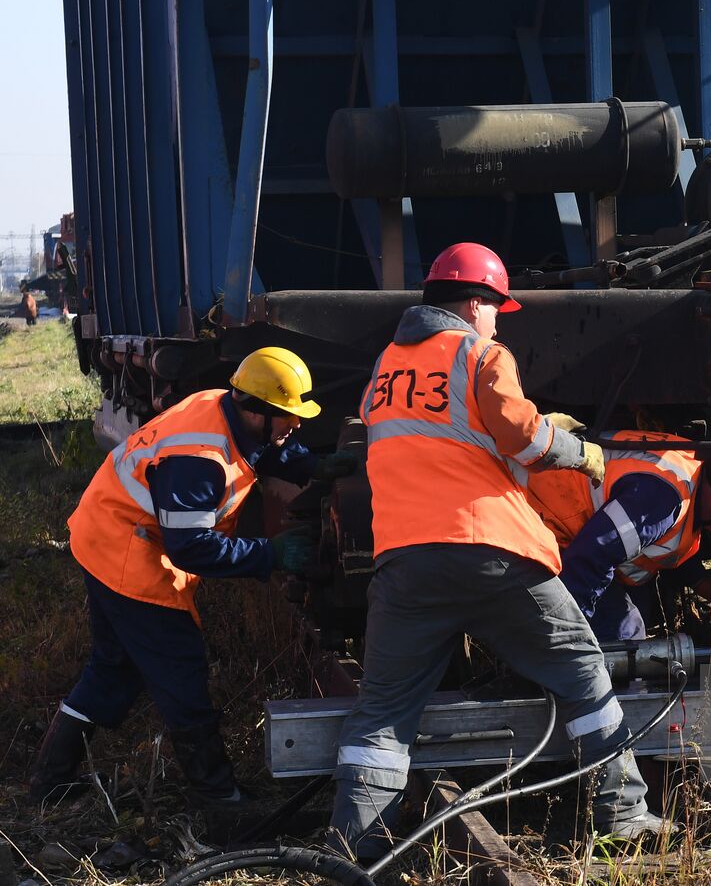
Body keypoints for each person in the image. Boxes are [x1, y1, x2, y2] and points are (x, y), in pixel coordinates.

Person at [331, 242, 663, 859]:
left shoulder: (385, 366)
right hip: (491, 549)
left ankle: (356, 848)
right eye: (495, 307)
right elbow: (524, 438)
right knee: (583, 672)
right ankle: (623, 813)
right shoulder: (481, 353)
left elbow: (431, 442)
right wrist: (579, 451)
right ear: (477, 302)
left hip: (403, 561)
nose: (496, 319)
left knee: (381, 714)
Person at [30, 348, 352, 806]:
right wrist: (270, 554)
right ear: (256, 410)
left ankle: (50, 783)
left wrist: (308, 466)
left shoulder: (222, 403)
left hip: (100, 535)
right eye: (287, 416)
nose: (296, 424)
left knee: (113, 668)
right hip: (130, 557)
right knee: (181, 672)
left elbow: (260, 446)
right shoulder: (197, 460)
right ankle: (222, 805)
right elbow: (192, 548)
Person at [524, 434, 711, 641]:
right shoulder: (662, 501)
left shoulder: (689, 471)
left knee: (640, 613)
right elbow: (589, 558)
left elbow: (663, 543)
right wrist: (566, 637)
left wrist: (707, 587)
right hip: (540, 525)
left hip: (568, 532)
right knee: (625, 633)